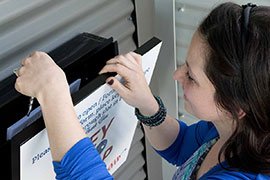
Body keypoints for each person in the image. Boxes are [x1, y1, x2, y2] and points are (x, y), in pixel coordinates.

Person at [14, 2, 270, 179]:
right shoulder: (231, 130)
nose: (177, 75)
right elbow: (182, 147)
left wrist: (53, 93)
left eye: (191, 76)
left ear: (237, 106)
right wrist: (147, 104)